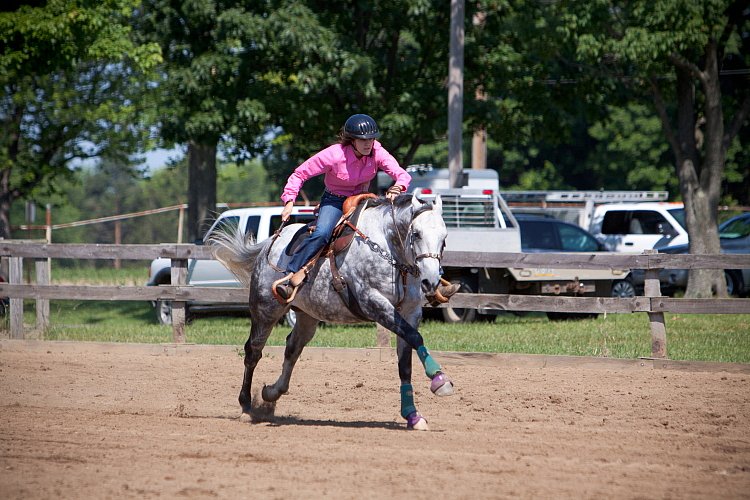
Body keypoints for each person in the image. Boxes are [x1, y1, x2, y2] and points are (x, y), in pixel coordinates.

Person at [274, 114, 410, 300]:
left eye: (371, 138)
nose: (368, 143)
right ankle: (290, 276)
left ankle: (425, 282)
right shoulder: (334, 154)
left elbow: (401, 174)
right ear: (352, 140)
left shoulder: (377, 151)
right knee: (322, 233)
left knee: (396, 228)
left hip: (364, 200)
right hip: (335, 201)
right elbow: (300, 174)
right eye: (363, 139)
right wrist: (289, 200)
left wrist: (397, 186)